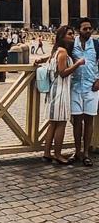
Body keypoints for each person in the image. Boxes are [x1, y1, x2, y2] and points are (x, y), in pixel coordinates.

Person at [37, 25, 85, 164]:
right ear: (62, 36)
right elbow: (63, 73)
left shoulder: (56, 51)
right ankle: (57, 154)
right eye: (69, 34)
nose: (72, 36)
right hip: (61, 91)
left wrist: (41, 60)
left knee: (53, 124)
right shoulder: (63, 52)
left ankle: (47, 153)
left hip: (54, 90)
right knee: (61, 124)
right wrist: (78, 64)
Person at [69, 18, 99, 166]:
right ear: (78, 30)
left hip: (92, 86)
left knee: (89, 120)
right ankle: (77, 151)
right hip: (75, 86)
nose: (88, 31)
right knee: (76, 121)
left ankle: (86, 153)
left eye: (90, 28)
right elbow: (58, 54)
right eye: (85, 29)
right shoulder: (71, 44)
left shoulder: (96, 44)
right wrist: (42, 60)